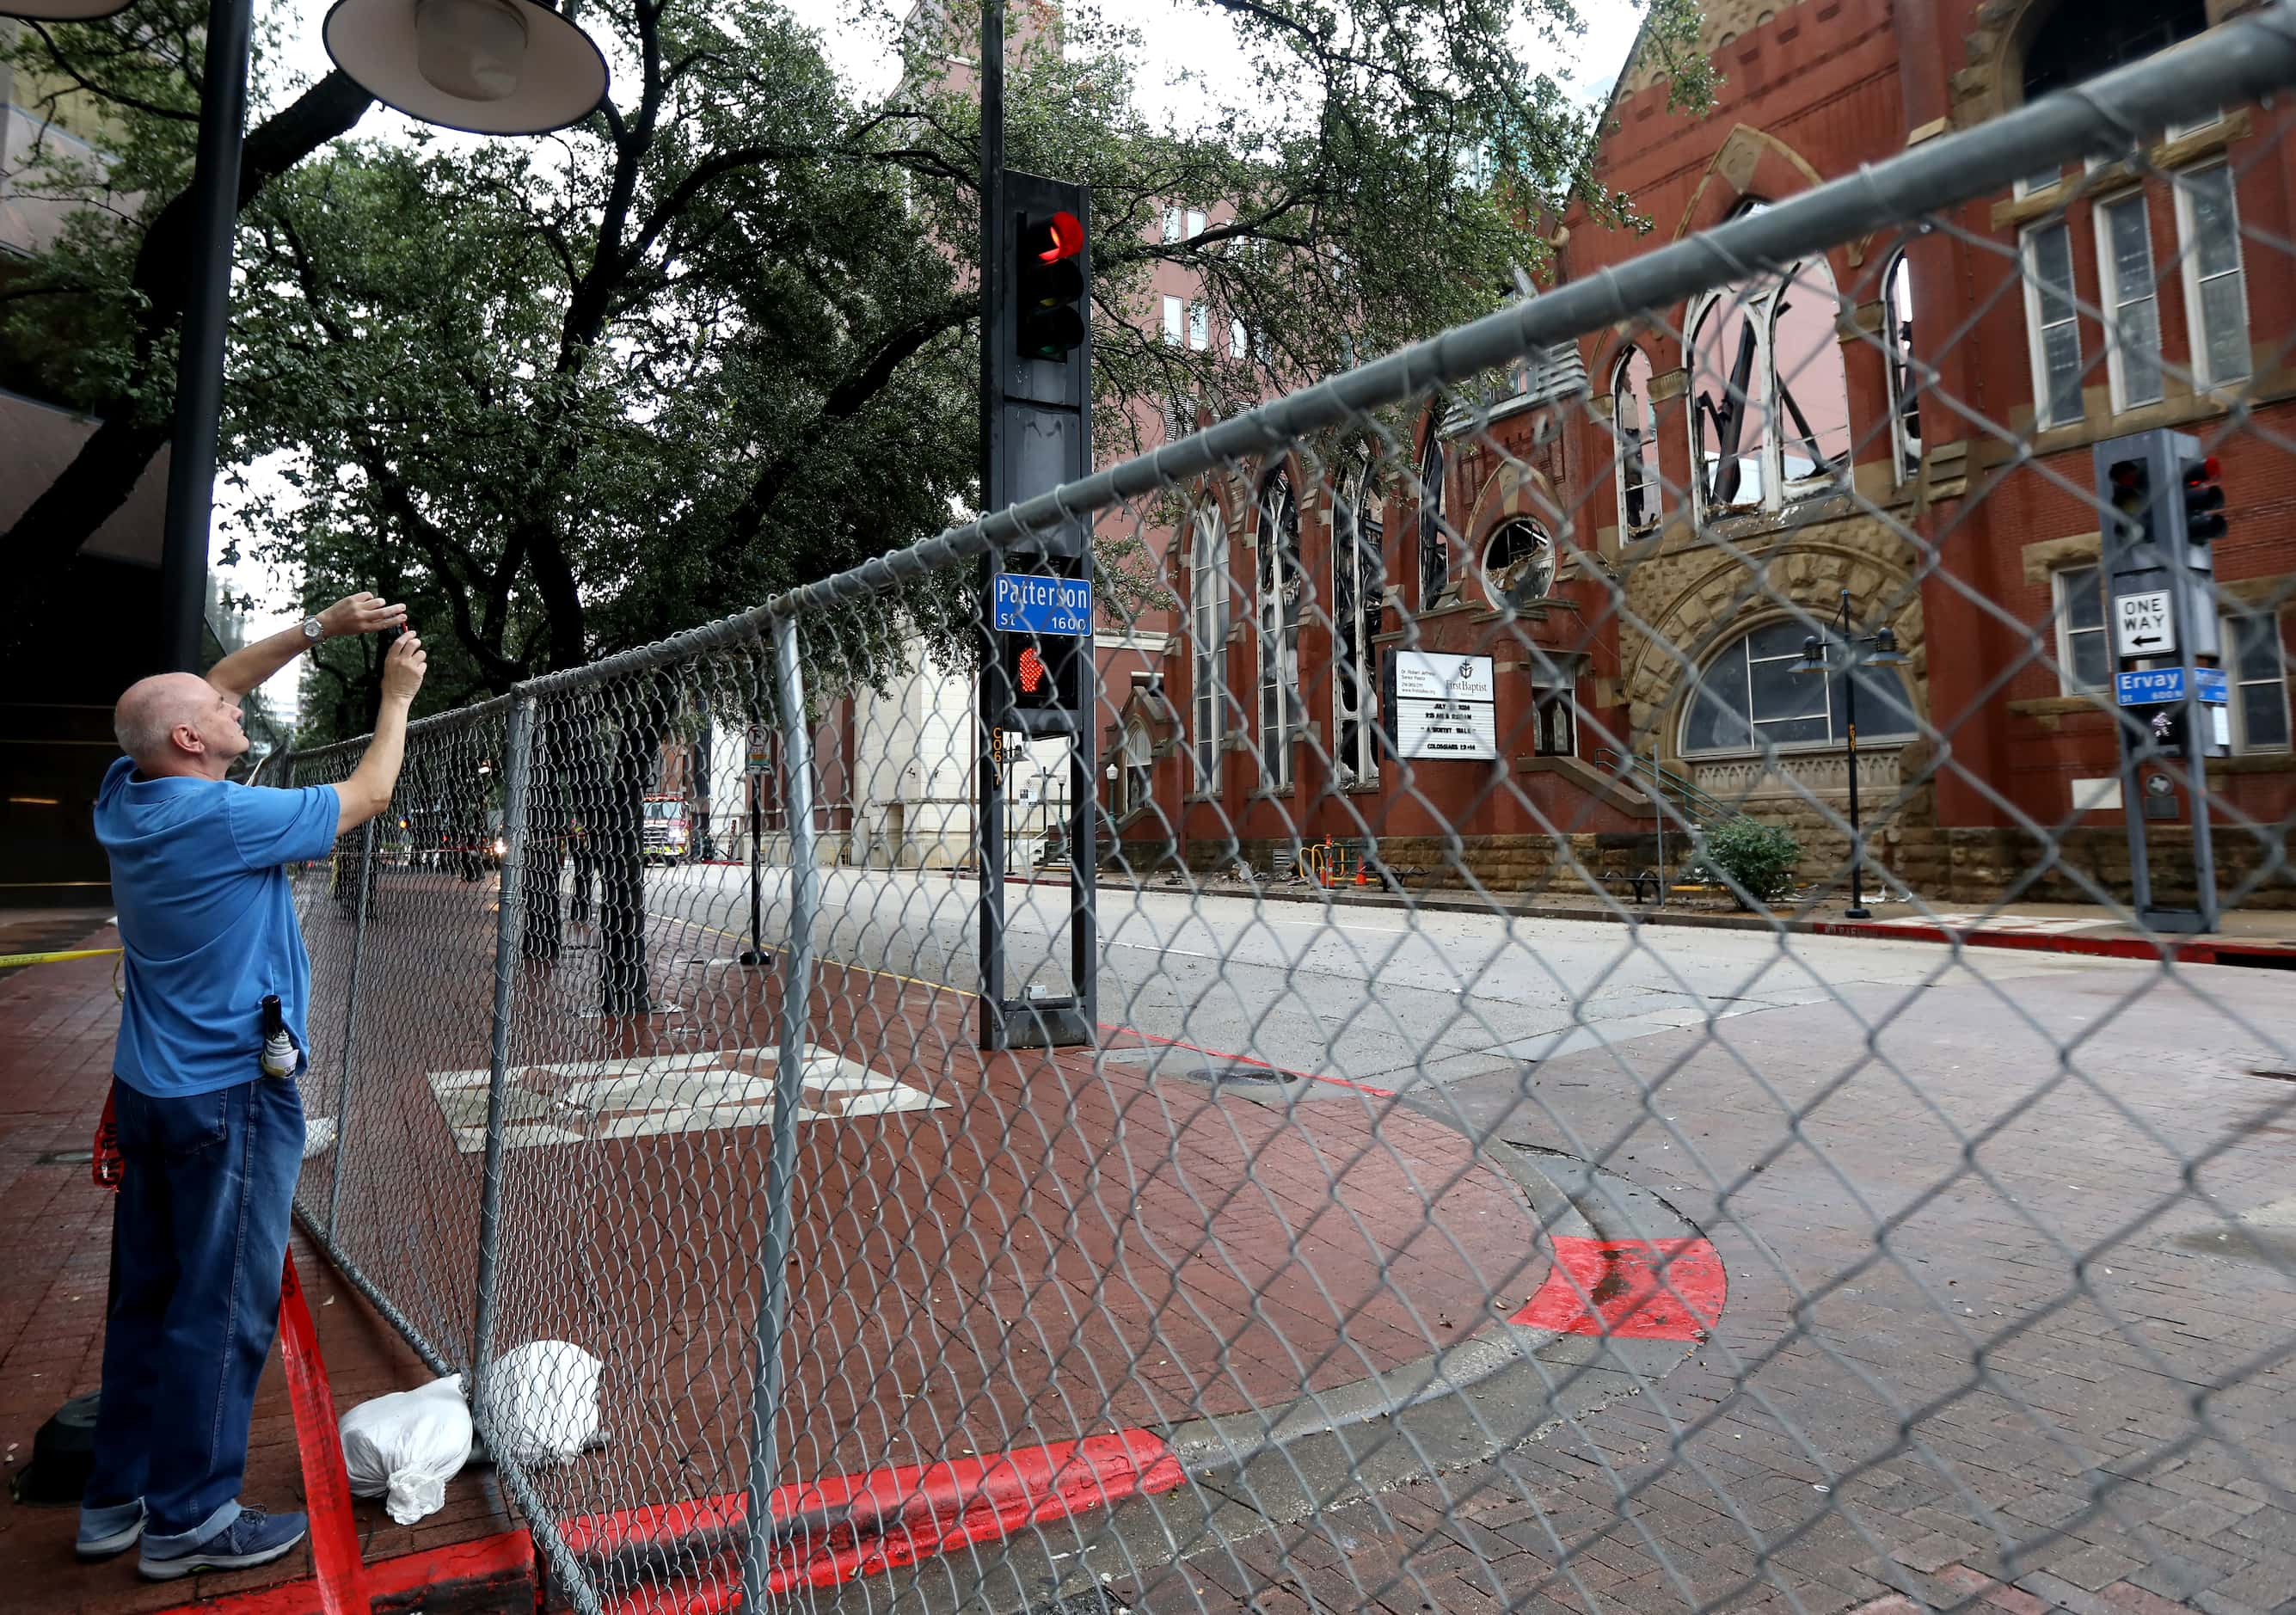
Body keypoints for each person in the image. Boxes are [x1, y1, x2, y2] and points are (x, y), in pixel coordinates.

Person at [77, 593, 426, 1581]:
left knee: (146, 1297)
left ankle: (117, 1501)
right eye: (223, 715)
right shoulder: (223, 816)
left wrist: (322, 627)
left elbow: (200, 694)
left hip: (152, 1090)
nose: (243, 711)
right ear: (191, 741)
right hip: (231, 1093)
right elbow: (367, 797)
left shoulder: (126, 793)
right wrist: (395, 697)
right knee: (221, 1305)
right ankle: (189, 1518)